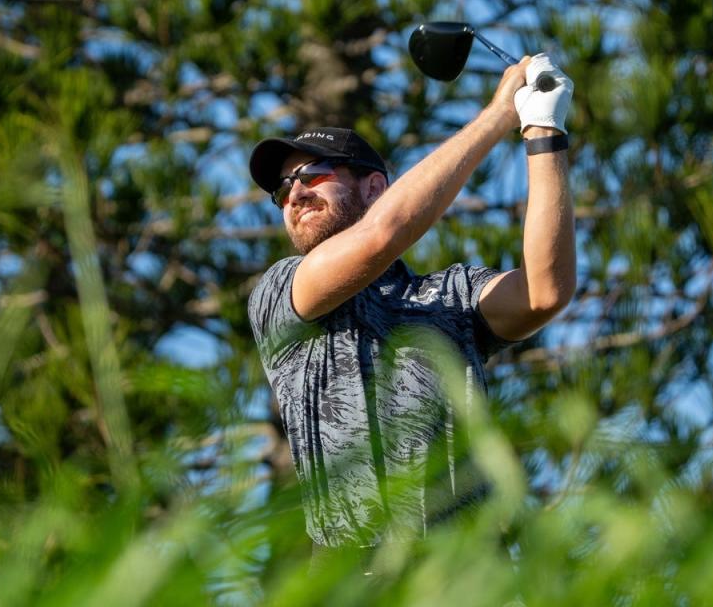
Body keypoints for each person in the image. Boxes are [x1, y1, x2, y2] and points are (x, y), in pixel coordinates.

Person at [247, 55, 576, 567]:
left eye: (311, 174)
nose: (294, 194)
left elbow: (544, 292)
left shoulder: (450, 295)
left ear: (373, 187)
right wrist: (497, 115)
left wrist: (542, 129)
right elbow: (381, 235)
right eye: (282, 189)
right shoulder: (280, 291)